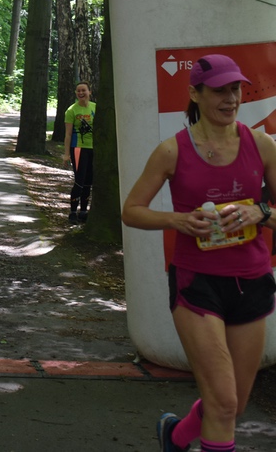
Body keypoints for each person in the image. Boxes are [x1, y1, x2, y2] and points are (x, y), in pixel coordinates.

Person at [121, 54, 276, 452]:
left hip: (252, 281)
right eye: (220, 91)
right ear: (195, 93)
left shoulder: (261, 145)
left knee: (233, 404)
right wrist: (178, 220)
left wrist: (260, 212)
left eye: (236, 89)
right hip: (197, 283)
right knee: (222, 402)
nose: (231, 99)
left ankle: (175, 436)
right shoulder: (171, 151)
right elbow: (132, 210)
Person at [62, 81, 95, 224]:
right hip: (78, 148)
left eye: (83, 90)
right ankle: (73, 212)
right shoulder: (71, 110)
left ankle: (83, 211)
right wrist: (66, 154)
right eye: (78, 91)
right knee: (79, 181)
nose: (81, 93)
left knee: (88, 182)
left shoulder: (95, 107)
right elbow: (68, 134)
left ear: (89, 92)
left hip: (93, 148)